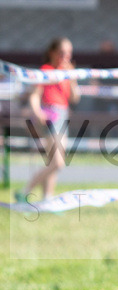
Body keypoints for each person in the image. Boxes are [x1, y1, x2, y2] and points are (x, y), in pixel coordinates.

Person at [17, 38, 80, 203]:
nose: (66, 56)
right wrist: (37, 112)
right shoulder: (46, 70)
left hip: (62, 115)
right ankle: (25, 191)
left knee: (52, 162)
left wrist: (72, 78)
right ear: (53, 53)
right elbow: (35, 95)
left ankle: (47, 199)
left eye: (69, 53)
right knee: (57, 162)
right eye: (62, 53)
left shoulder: (67, 73)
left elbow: (75, 97)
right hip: (49, 116)